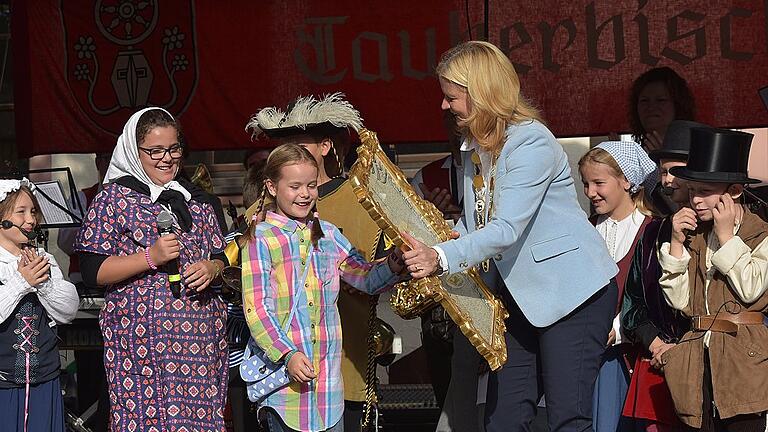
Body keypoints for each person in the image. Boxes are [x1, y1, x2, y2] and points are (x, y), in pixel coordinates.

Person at [400, 41, 619, 432]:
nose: (444, 106)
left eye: (451, 97)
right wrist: (438, 240)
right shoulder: (475, 150)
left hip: (572, 295)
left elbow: (504, 229)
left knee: (568, 418)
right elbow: (475, 222)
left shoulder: (530, 141)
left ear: (481, 92)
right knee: (503, 418)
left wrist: (442, 256)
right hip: (518, 301)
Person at [75, 107, 229, 432]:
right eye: (155, 151)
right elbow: (93, 270)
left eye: (173, 149)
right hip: (141, 350)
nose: (167, 158)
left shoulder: (197, 201)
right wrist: (150, 257)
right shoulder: (113, 200)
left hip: (198, 345)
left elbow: (222, 256)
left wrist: (212, 267)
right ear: (134, 150)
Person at [240, 143, 407, 432]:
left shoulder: (329, 234)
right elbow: (256, 310)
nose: (304, 194)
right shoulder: (261, 239)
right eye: (294, 186)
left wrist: (394, 262)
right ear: (271, 186)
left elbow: (365, 279)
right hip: (284, 390)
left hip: (329, 389)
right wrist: (287, 354)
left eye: (311, 186)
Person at [658, 127, 768, 431]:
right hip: (697, 364)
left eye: (705, 191)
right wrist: (677, 244)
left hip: (744, 366)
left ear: (733, 191)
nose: (695, 200)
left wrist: (726, 237)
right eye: (692, 191)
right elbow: (679, 302)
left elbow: (751, 289)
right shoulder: (695, 236)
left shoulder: (761, 233)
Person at [620, 121, 705, 431]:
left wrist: (682, 350)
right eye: (663, 171)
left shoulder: (721, 232)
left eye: (673, 171)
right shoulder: (653, 231)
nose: (666, 180)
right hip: (657, 365)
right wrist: (657, 345)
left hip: (707, 367)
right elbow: (632, 305)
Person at [578, 141, 657, 432]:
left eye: (599, 182)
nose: (590, 192)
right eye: (586, 183)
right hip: (587, 357)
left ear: (627, 180)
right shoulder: (584, 230)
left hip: (632, 358)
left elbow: (655, 298)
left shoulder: (652, 231)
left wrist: (619, 328)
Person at [0, 178, 79, 432]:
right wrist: (22, 282)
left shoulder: (44, 259)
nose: (31, 219)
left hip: (44, 381)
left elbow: (68, 310)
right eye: (20, 212)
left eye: (33, 211)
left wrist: (43, 285)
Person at [629, 67, 695, 153]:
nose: (651, 107)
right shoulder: (629, 153)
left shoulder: (697, 150)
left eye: (661, 100)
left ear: (678, 105)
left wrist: (663, 159)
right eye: (644, 100)